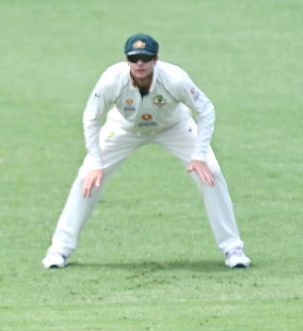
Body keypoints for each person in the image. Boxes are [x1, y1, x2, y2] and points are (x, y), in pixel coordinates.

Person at [42, 34, 250, 269]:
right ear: (126, 60)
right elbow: (91, 118)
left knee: (211, 172)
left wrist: (199, 156)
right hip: (124, 128)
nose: (139, 63)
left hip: (174, 127)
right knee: (87, 177)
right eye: (134, 58)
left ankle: (233, 249)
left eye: (145, 58)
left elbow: (206, 110)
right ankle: (59, 249)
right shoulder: (111, 79)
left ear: (156, 59)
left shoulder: (176, 79)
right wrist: (96, 163)